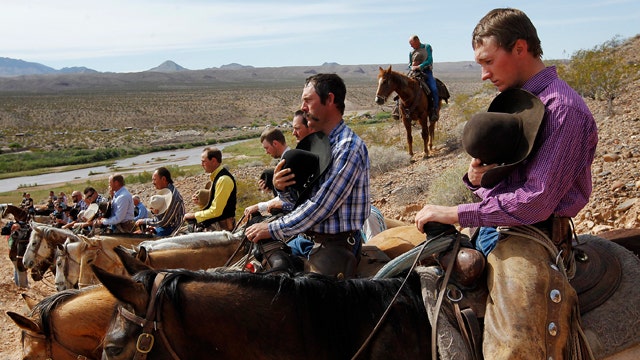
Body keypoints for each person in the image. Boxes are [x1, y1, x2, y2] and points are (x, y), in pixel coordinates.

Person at [414, 8, 597, 359]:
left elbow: (536, 202)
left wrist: (455, 212)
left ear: (519, 48)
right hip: (493, 229)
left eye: (488, 62)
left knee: (513, 348)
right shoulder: (518, 103)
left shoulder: (563, 109)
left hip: (533, 237)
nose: (483, 75)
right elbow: (505, 185)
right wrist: (479, 180)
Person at [245, 73, 370, 279]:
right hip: (309, 238)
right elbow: (300, 202)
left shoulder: (348, 147)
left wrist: (273, 228)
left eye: (307, 100)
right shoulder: (318, 145)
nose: (303, 107)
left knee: (310, 302)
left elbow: (322, 205)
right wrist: (284, 190)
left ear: (329, 100)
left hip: (337, 244)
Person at [184, 147, 237, 231]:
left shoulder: (223, 179)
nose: (202, 164)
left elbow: (216, 211)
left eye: (204, 161)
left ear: (213, 161)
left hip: (222, 227)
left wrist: (194, 215)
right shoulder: (217, 177)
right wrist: (201, 203)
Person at [136, 167, 185, 236]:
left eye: (154, 179)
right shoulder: (165, 192)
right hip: (165, 226)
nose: (153, 182)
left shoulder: (173, 197)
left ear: (163, 179)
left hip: (172, 229)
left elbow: (164, 222)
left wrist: (144, 221)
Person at [408, 34, 439, 121]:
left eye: (412, 43)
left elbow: (429, 60)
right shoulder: (411, 52)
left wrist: (420, 66)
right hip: (413, 73)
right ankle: (399, 110)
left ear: (417, 41)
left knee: (434, 89)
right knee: (403, 86)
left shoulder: (426, 47)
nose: (411, 46)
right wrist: (412, 67)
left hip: (426, 72)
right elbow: (409, 64)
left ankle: (435, 110)